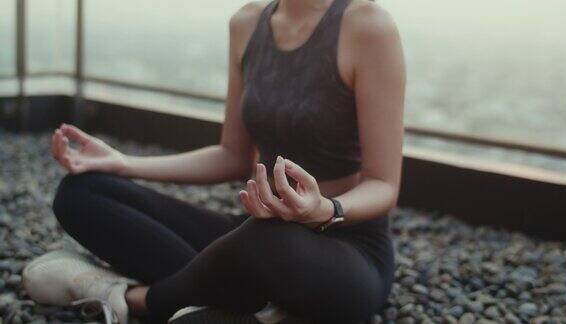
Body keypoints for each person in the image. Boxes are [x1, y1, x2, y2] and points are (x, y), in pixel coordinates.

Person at [22, 0, 405, 323]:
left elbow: (383, 184)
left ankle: (128, 298)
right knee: (82, 191)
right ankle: (231, 301)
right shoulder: (247, 23)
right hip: (257, 234)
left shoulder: (367, 26)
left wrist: (324, 209)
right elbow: (232, 155)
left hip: (345, 247)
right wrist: (123, 163)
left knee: (268, 239)